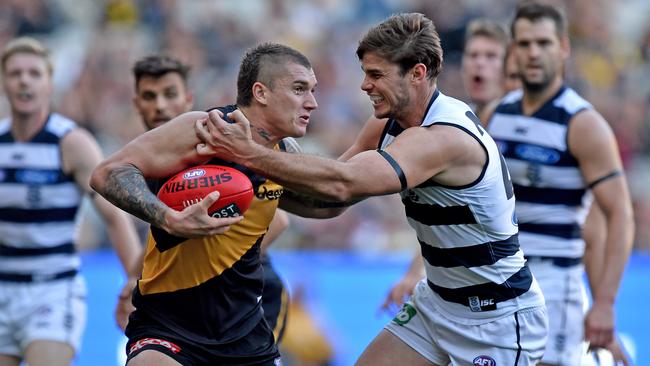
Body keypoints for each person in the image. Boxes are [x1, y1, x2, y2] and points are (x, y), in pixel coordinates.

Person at [195, 13, 548, 365]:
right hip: (437, 305)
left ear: (417, 73)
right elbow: (328, 202)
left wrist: (248, 154)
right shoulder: (387, 125)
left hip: (497, 318)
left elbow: (341, 183)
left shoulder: (444, 138)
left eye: (376, 74)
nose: (364, 85)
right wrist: (244, 181)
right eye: (365, 73)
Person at [90, 43, 340, 365]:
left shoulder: (283, 157)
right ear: (260, 92)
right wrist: (168, 218)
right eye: (299, 89)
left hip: (244, 333)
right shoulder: (207, 128)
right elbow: (107, 173)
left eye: (313, 91)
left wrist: (375, 144)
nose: (313, 103)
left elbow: (329, 204)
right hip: (169, 326)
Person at [486, 2, 634, 365]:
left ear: (563, 48)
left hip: (554, 280)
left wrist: (604, 304)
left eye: (543, 43)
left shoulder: (582, 123)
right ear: (513, 51)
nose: (533, 53)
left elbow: (619, 215)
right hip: (498, 276)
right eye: (524, 44)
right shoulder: (496, 115)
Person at [115, 54, 292, 344]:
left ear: (188, 100)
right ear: (137, 104)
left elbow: (279, 220)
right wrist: (134, 279)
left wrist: (222, 269)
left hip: (250, 296)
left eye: (169, 94)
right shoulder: (153, 155)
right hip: (192, 303)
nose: (160, 105)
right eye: (150, 96)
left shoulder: (212, 141)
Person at [0, 37, 141, 366]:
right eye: (15, 73)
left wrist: (136, 281)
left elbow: (113, 217)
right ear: (4, 82)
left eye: (34, 73)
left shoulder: (72, 143)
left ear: (49, 83)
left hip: (52, 290)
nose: (24, 80)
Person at [381, 18, 519, 314]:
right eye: (472, 55)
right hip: (468, 282)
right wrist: (414, 271)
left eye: (490, 56)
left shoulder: (527, 128)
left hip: (518, 279)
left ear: (511, 67)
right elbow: (451, 218)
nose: (479, 64)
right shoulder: (454, 121)